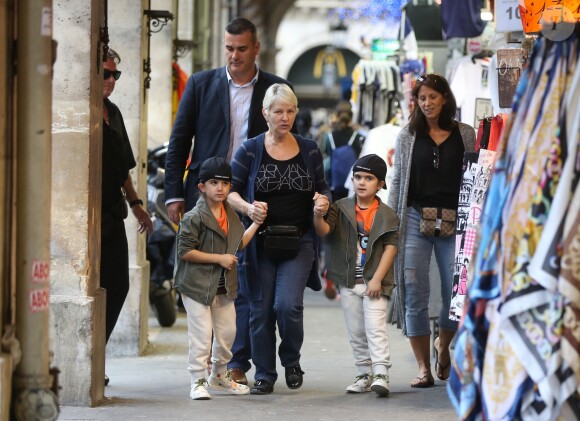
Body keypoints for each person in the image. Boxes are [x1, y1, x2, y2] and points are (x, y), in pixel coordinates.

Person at [164, 17, 294, 386]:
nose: (234, 56)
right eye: (229, 48)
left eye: (241, 49)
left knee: (245, 281)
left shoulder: (275, 88)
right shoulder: (202, 84)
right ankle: (208, 366)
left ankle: (235, 363)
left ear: (256, 49)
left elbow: (289, 142)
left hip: (256, 197)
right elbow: (179, 140)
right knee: (208, 280)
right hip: (208, 196)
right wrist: (175, 192)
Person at [228, 83, 330, 395]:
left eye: (290, 111)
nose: (284, 118)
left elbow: (324, 188)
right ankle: (265, 374)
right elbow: (230, 191)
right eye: (278, 112)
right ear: (265, 114)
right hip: (259, 242)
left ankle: (291, 360)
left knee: (287, 306)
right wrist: (248, 208)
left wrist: (322, 201)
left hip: (299, 240)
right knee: (260, 310)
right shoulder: (250, 150)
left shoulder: (310, 149)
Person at [387, 73, 476, 388]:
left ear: (445, 99)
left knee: (457, 289)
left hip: (455, 219)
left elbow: (476, 177)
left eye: (432, 97)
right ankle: (423, 367)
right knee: (413, 288)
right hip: (414, 217)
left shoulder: (465, 134)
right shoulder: (408, 135)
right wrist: (389, 226)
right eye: (421, 98)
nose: (426, 103)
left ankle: (444, 344)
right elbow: (398, 181)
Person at [174, 157, 261, 400]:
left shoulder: (230, 214)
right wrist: (219, 259)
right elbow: (185, 252)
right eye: (214, 182)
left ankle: (219, 376)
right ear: (202, 187)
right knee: (201, 336)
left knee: (227, 334)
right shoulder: (194, 217)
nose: (220, 188)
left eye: (225, 183)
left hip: (224, 286)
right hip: (196, 285)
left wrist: (254, 224)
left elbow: (237, 244)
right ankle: (197, 380)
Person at [312, 154, 398, 396]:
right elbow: (324, 232)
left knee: (375, 327)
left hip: (375, 282)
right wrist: (318, 214)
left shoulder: (387, 214)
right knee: (356, 330)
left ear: (380, 183)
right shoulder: (341, 207)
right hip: (349, 281)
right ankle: (363, 373)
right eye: (358, 177)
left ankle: (381, 372)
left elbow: (391, 247)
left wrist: (378, 279)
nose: (361, 182)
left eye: (369, 178)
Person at [101, 48, 153, 384]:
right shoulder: (79, 111)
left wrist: (136, 204)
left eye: (115, 75)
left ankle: (96, 350)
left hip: (112, 211)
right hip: (85, 215)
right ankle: (95, 360)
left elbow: (124, 169)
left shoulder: (114, 113)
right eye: (105, 73)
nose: (110, 80)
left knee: (118, 283)